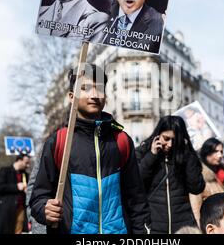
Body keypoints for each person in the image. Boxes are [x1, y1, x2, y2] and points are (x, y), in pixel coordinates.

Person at [30, 64, 150, 234]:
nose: (94, 95)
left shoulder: (122, 140)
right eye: (85, 88)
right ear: (71, 97)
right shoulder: (58, 141)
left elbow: (136, 199)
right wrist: (44, 209)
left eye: (99, 88)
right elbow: (38, 196)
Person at [136, 115, 205, 234]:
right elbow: (137, 183)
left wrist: (188, 154)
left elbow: (196, 188)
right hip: (153, 225)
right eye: (166, 138)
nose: (170, 144)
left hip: (183, 224)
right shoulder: (142, 152)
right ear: (158, 134)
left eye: (175, 140)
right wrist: (151, 156)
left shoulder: (185, 156)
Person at [189, 138, 224, 227]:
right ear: (207, 153)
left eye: (221, 152)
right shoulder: (199, 176)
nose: (220, 155)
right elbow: (195, 209)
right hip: (211, 224)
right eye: (216, 152)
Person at [0, 154, 30, 234]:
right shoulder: (5, 170)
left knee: (18, 230)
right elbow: (0, 188)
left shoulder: (25, 175)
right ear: (19, 160)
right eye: (26, 163)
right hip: (7, 208)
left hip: (21, 208)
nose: (28, 165)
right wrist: (16, 187)